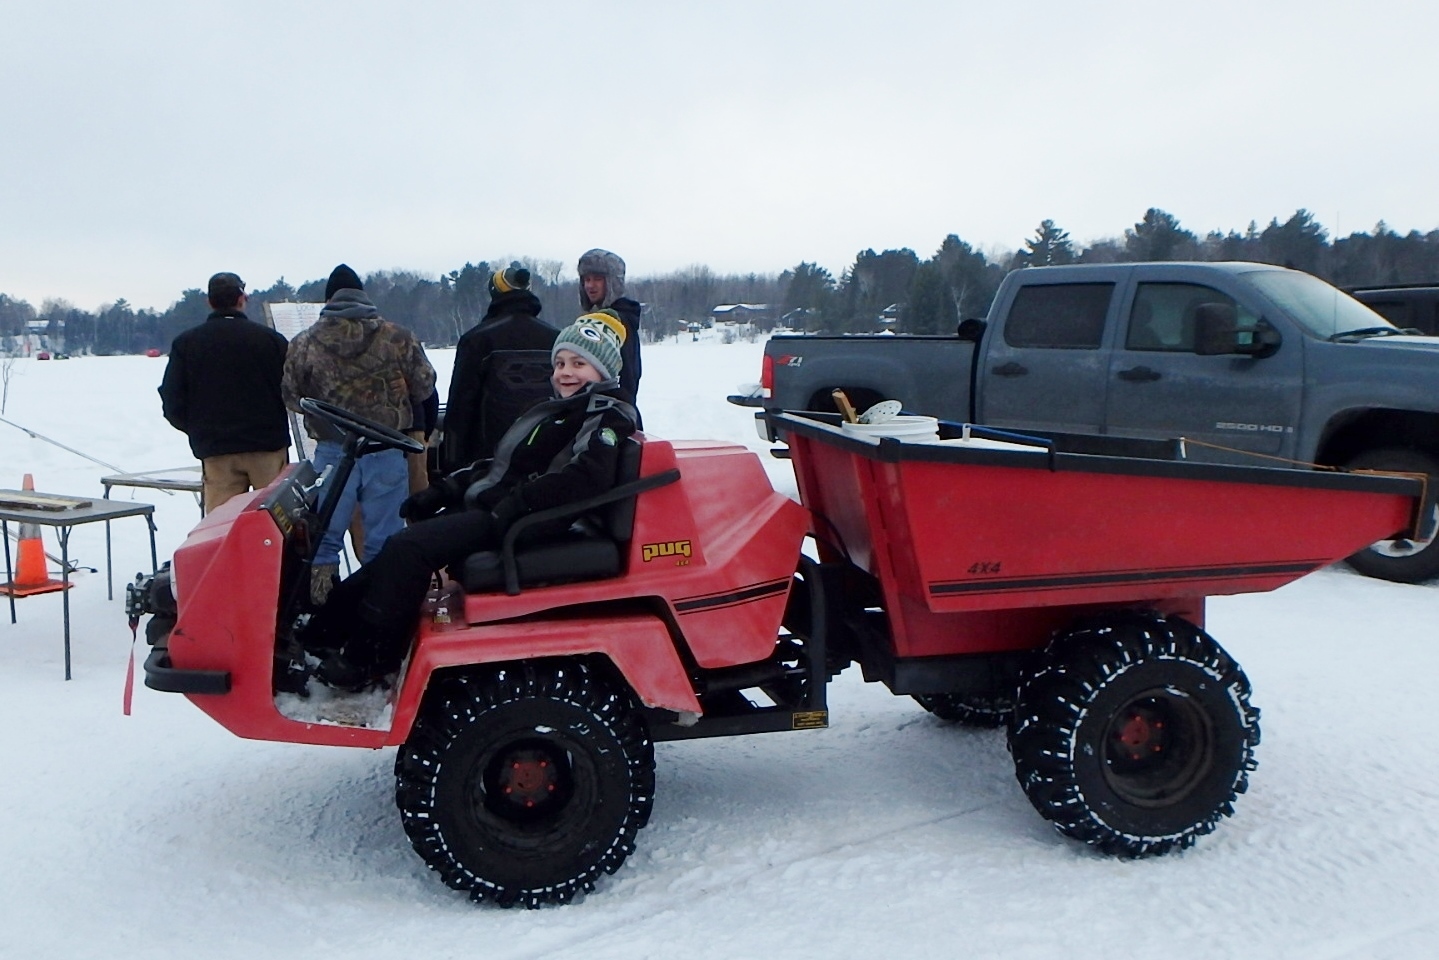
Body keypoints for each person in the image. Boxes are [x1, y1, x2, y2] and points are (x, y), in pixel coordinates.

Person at [304, 312, 637, 689]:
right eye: (560, 363)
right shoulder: (560, 410)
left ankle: (369, 659)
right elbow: (500, 465)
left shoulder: (605, 412)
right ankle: (323, 631)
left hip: (529, 521)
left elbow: (587, 476)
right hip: (505, 510)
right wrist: (445, 490)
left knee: (410, 550)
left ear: (604, 371)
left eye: (579, 364)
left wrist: (517, 504)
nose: (565, 372)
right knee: (400, 545)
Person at [282, 264, 436, 603]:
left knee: (324, 538)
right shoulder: (399, 337)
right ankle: (382, 605)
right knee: (385, 540)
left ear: (329, 300)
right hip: (386, 449)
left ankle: (320, 608)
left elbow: (291, 397)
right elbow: (424, 386)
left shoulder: (304, 342)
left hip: (332, 454)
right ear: (363, 296)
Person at [158, 272, 290, 513]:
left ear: (209, 302)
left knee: (221, 525)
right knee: (273, 523)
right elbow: (292, 390)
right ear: (241, 299)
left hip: (216, 449)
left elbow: (172, 399)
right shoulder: (271, 341)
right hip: (267, 447)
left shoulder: (186, 344)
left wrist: (198, 429)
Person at [439, 261, 557, 472]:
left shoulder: (477, 339)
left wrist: (452, 464)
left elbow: (460, 408)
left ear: (494, 294)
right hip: (548, 457)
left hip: (488, 464)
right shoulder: (556, 338)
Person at [577, 249, 642, 403]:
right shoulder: (625, 316)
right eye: (586, 279)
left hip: (608, 408)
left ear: (613, 282)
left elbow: (623, 376)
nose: (590, 285)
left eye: (598, 279)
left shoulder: (611, 322)